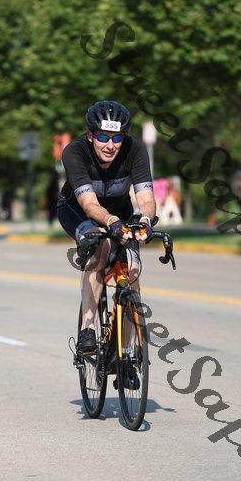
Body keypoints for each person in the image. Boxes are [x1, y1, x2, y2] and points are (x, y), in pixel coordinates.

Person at [57, 100, 156, 355]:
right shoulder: (74, 152)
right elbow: (89, 205)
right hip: (78, 211)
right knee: (99, 250)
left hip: (120, 211)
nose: (110, 145)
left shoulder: (135, 150)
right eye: (103, 137)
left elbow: (146, 199)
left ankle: (126, 352)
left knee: (132, 270)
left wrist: (145, 220)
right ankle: (88, 328)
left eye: (117, 138)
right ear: (90, 135)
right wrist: (111, 223)